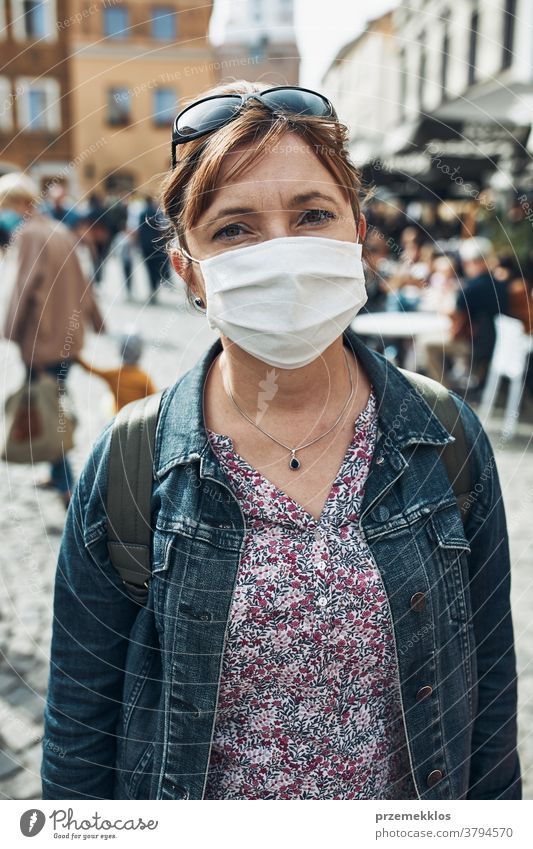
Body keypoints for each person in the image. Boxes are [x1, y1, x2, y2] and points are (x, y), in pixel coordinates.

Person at [41, 81, 521, 800]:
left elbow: (486, 711)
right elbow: (78, 740)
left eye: (311, 215)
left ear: (358, 232)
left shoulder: (444, 439)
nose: (283, 254)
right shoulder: (130, 464)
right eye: (234, 228)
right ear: (187, 271)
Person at [1, 172, 105, 508]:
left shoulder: (30, 234)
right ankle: (57, 474)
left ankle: (67, 486)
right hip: (66, 339)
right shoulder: (58, 229)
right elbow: (85, 280)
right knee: (53, 401)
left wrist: (10, 330)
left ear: (20, 203)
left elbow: (22, 288)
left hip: (42, 341)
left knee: (48, 406)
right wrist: (96, 321)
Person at [425, 237, 507, 391]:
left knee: (427, 344)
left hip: (477, 344)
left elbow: (454, 314)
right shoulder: (500, 284)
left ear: (471, 262)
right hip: (498, 342)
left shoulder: (471, 288)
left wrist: (441, 307)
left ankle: (443, 391)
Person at [74, 328, 158, 413]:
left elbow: (92, 370)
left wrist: (76, 357)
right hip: (136, 418)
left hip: (118, 417)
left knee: (107, 399)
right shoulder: (144, 378)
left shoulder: (114, 375)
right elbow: (155, 401)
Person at [137, 195, 170, 302]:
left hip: (145, 245)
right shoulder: (157, 213)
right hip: (156, 244)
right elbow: (162, 229)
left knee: (149, 268)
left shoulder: (142, 213)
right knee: (157, 267)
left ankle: (152, 288)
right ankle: (155, 287)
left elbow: (139, 231)